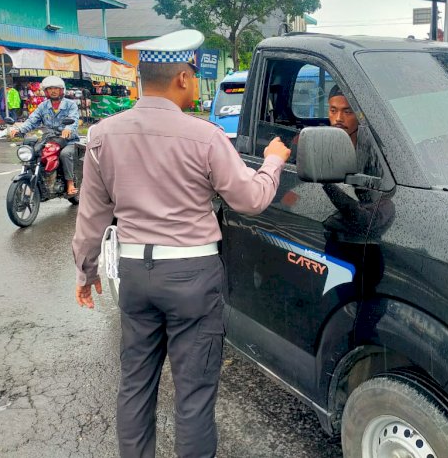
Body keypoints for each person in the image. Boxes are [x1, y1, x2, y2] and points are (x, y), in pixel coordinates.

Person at [71, 29, 290, 458]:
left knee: (135, 386)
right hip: (193, 277)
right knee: (193, 396)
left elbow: (92, 215)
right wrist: (273, 162)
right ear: (184, 78)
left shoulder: (102, 135)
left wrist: (86, 271)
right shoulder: (205, 137)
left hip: (134, 275)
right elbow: (250, 199)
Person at [9, 76, 80, 196]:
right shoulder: (43, 106)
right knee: (34, 152)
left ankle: (70, 183)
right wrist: (19, 129)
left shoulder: (70, 105)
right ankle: (37, 181)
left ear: (61, 90)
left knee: (65, 154)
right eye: (50, 88)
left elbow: (74, 119)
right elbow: (32, 120)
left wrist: (68, 129)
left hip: (69, 140)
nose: (53, 91)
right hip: (50, 139)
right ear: (46, 91)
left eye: (56, 88)